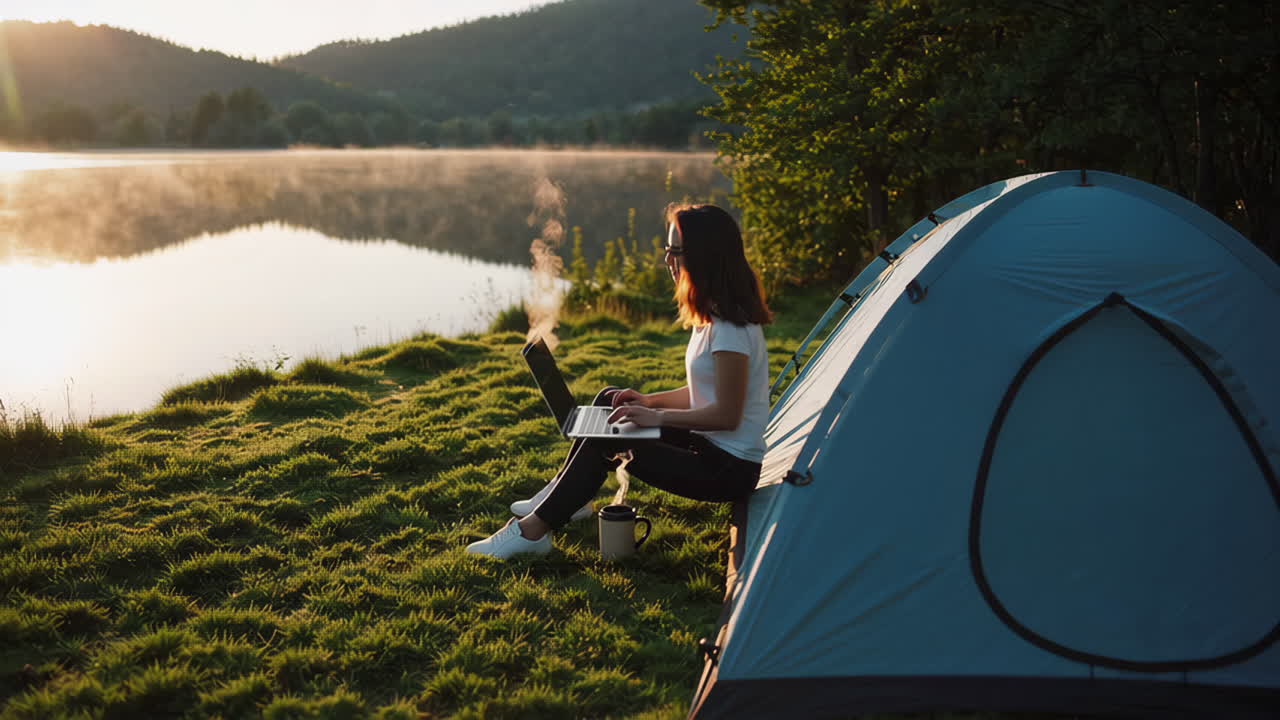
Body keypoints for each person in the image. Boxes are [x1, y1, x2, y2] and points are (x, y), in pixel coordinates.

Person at [466, 203, 773, 559]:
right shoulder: (714, 317)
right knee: (611, 400)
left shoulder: (730, 330)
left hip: (726, 470)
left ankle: (532, 532)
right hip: (709, 447)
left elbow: (726, 415)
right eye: (667, 251)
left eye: (676, 252)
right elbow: (705, 392)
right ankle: (566, 496)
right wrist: (648, 402)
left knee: (606, 438)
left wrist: (655, 419)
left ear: (705, 256)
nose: (667, 261)